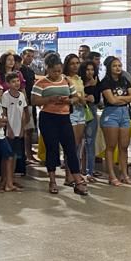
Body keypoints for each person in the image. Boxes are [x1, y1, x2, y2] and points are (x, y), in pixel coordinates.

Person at [32, 53, 88, 195]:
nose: (57, 74)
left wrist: (69, 101)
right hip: (48, 118)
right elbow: (34, 101)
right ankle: (52, 180)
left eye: (59, 70)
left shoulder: (66, 81)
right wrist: (49, 99)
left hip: (64, 118)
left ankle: (77, 180)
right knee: (52, 149)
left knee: (71, 149)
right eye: (54, 71)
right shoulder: (40, 83)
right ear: (47, 69)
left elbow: (76, 97)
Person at [98, 57, 131, 186]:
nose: (118, 68)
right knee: (111, 146)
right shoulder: (105, 82)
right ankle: (111, 175)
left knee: (124, 146)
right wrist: (125, 98)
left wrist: (119, 98)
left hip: (124, 114)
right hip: (111, 114)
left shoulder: (124, 80)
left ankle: (124, 174)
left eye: (119, 65)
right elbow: (112, 101)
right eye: (115, 66)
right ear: (109, 68)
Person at [1, 72, 29, 187]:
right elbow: (4, 113)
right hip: (9, 131)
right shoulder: (5, 96)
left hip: (19, 130)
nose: (16, 83)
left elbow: (23, 113)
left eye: (17, 81)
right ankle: (5, 179)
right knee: (7, 156)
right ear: (8, 84)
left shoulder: (21, 95)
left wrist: (22, 128)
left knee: (15, 155)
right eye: (13, 81)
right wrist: (9, 129)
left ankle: (11, 178)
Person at [63, 54, 86, 180]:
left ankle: (75, 172)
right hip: (70, 111)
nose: (75, 66)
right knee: (70, 145)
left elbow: (82, 96)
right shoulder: (64, 79)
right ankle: (68, 174)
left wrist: (83, 99)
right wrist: (77, 98)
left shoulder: (79, 78)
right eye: (72, 63)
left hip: (81, 111)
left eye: (77, 63)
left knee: (77, 145)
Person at [79, 62, 100, 182]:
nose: (90, 72)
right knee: (77, 143)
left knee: (90, 142)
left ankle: (89, 172)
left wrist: (89, 97)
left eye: (92, 69)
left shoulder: (97, 80)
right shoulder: (78, 80)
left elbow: (96, 99)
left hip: (91, 112)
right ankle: (75, 172)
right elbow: (76, 95)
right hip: (78, 111)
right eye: (87, 69)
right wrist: (88, 86)